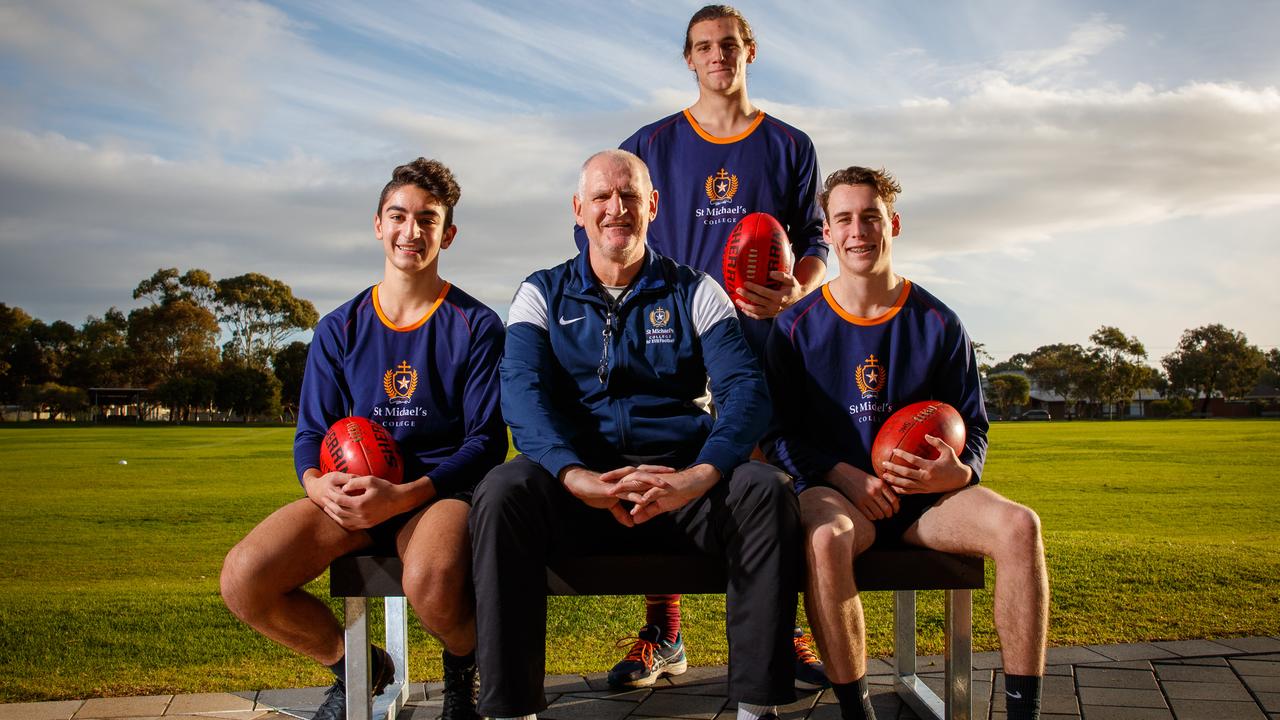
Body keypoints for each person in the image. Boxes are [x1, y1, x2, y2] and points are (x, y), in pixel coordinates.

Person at [472, 149, 800, 720]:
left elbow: (745, 390)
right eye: (601, 197)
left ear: (654, 205)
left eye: (629, 196)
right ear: (578, 209)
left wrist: (698, 476)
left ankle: (756, 707)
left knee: (765, 490)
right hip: (581, 488)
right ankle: (511, 710)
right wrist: (576, 476)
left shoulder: (695, 290)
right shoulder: (540, 292)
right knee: (502, 492)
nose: (615, 209)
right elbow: (520, 394)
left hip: (681, 485)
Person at [575, 3, 831, 690]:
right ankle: (665, 633)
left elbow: (814, 244)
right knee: (664, 471)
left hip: (764, 344)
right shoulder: (651, 145)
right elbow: (602, 233)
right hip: (673, 347)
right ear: (688, 59)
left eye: (729, 44)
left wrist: (797, 292)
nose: (718, 55)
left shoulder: (789, 145)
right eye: (703, 46)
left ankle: (787, 630)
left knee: (774, 482)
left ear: (752, 51)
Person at [220, 158, 507, 720]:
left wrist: (407, 494)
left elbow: (487, 443)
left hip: (437, 491)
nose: (411, 231)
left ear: (447, 234)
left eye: (428, 220)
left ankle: (462, 673)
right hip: (356, 494)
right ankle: (352, 665)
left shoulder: (477, 325)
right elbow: (312, 430)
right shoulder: (339, 327)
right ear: (378, 224)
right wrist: (316, 484)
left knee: (429, 578)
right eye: (398, 216)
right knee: (245, 578)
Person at [764, 166, 1050, 720]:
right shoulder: (796, 327)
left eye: (870, 217)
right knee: (826, 539)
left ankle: (1023, 713)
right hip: (840, 495)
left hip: (927, 502)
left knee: (1021, 526)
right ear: (827, 230)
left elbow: (976, 426)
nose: (857, 231)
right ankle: (857, 710)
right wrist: (842, 473)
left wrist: (960, 472)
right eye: (843, 219)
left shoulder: (940, 322)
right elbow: (775, 435)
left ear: (892, 224)